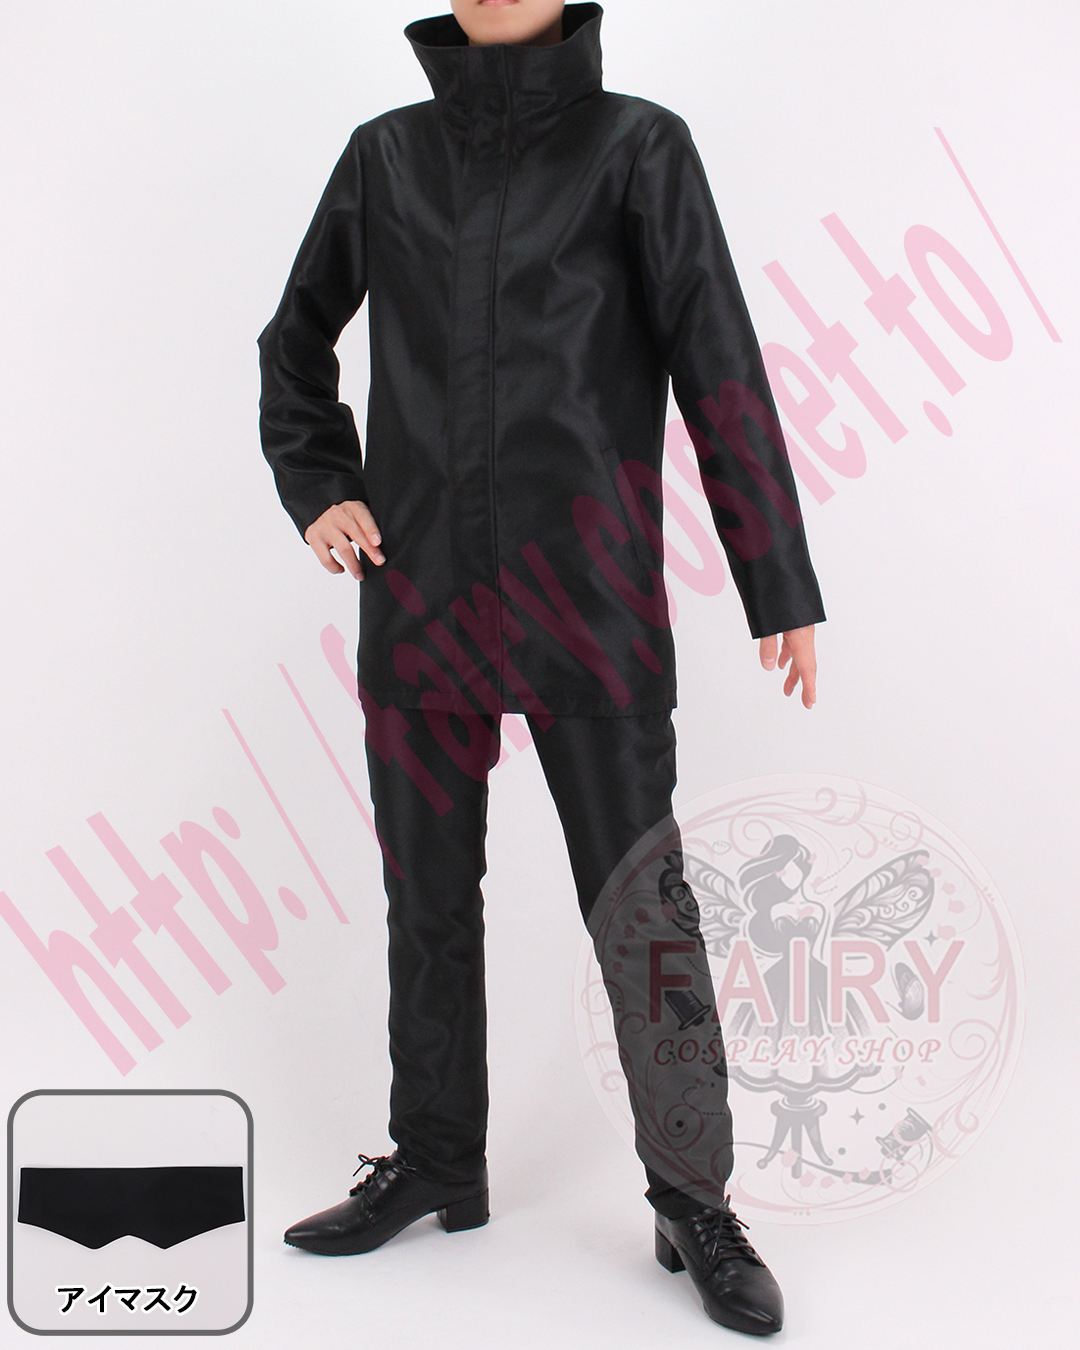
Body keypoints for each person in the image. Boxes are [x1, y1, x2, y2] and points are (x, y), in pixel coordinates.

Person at [256, 0, 826, 1335]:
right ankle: (435, 1158)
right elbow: (294, 340)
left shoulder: (639, 149)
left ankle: (693, 1199)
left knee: (644, 911)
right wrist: (322, 486)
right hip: (420, 594)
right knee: (426, 900)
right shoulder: (386, 158)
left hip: (593, 602)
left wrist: (776, 580)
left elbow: (719, 366)